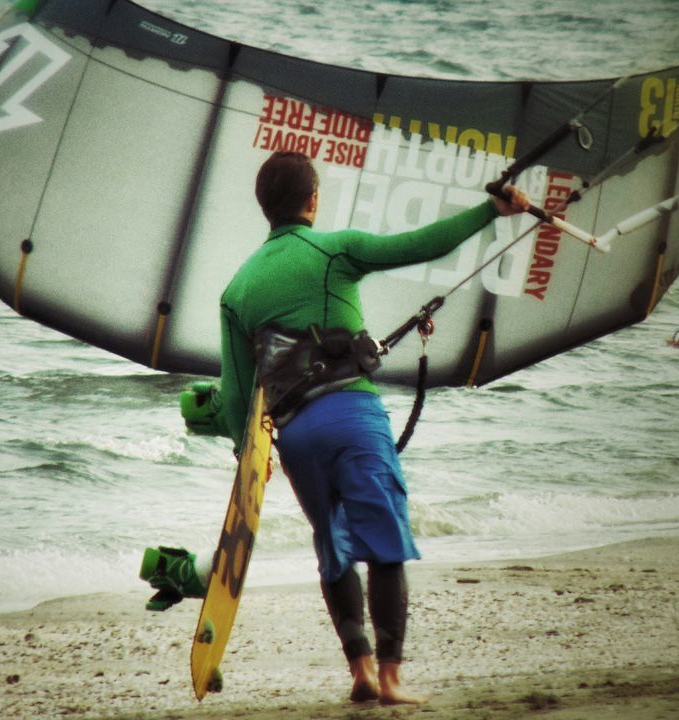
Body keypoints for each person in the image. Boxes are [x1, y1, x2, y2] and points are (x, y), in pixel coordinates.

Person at [205, 150, 528, 705]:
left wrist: (247, 456)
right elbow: (420, 245)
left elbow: (237, 388)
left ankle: (359, 669)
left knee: (332, 543)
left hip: (297, 436)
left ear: (264, 208)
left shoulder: (236, 290)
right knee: (383, 541)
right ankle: (393, 677)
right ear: (313, 201)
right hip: (353, 417)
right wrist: (491, 210)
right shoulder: (335, 250)